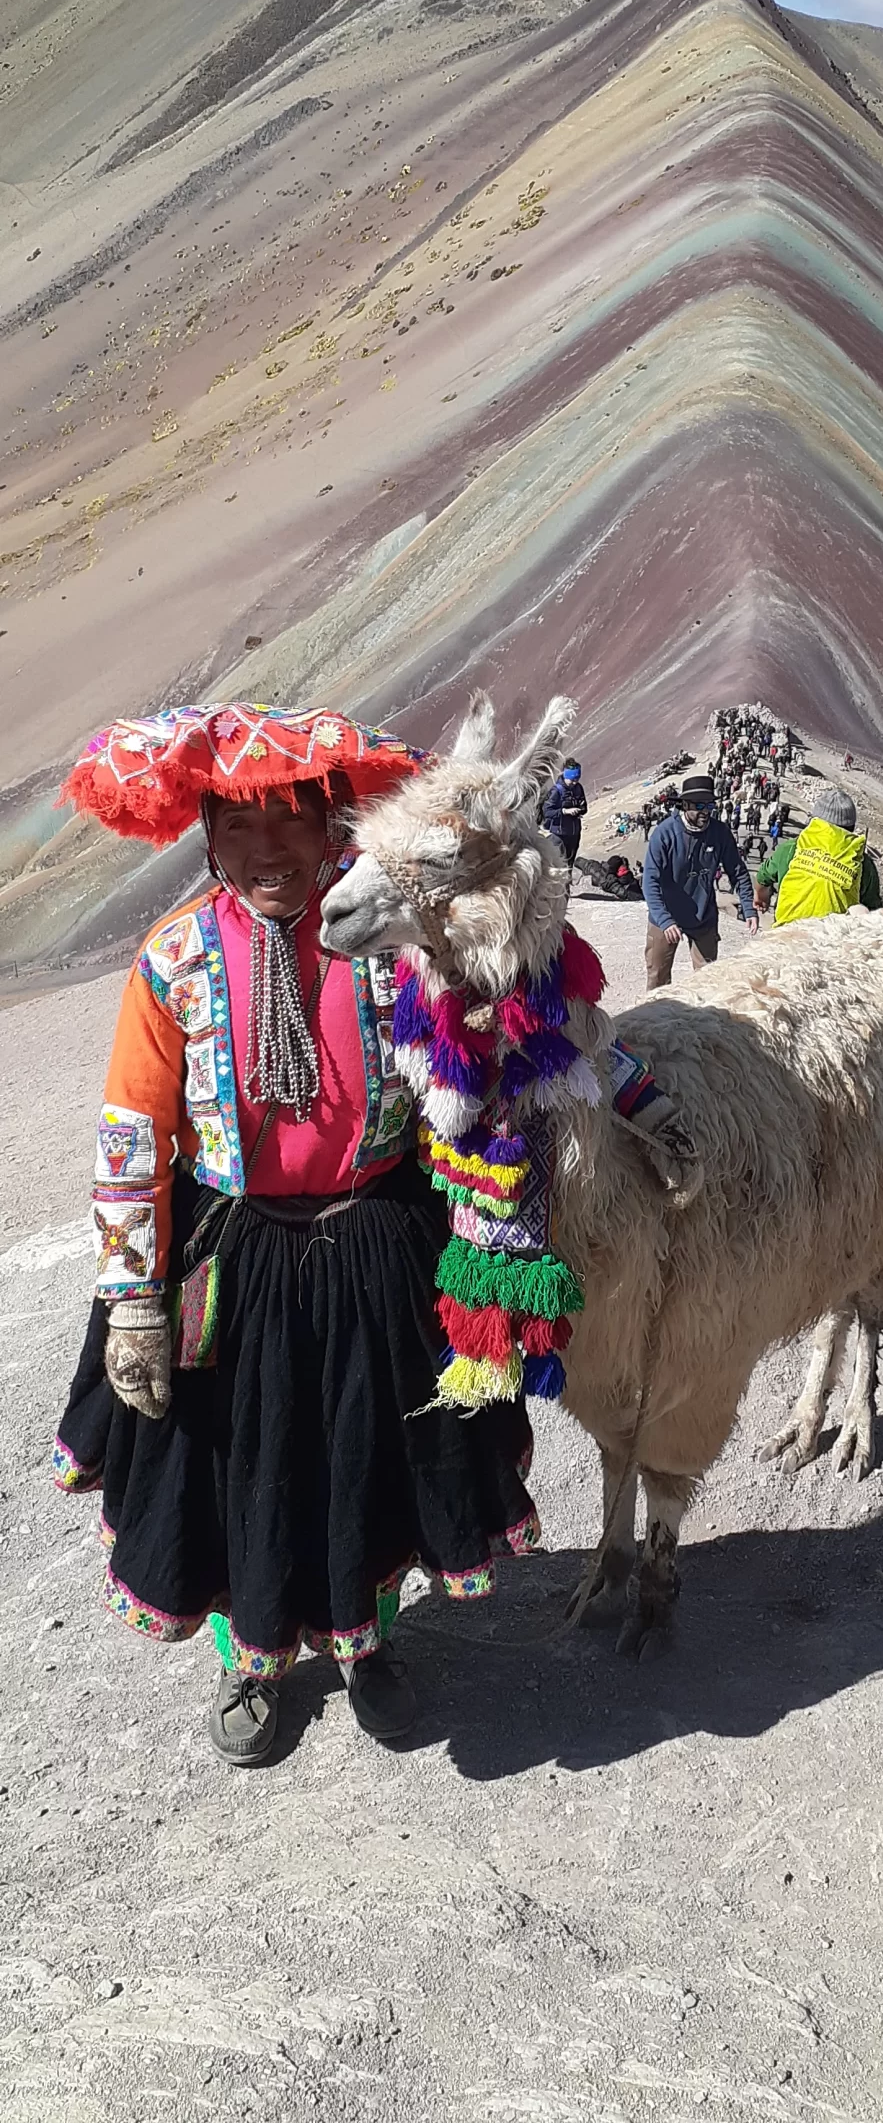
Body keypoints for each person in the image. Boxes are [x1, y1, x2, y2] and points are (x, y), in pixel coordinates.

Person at [52, 706, 684, 1766]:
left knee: (373, 1455)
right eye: (239, 830)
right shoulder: (174, 963)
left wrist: (643, 1103)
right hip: (235, 1250)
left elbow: (535, 1021)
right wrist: (131, 1301)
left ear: (330, 828)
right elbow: (130, 1131)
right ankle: (252, 1657)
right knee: (244, 1467)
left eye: (288, 825)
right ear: (208, 837)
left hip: (376, 1237)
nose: (267, 854)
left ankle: (366, 1641)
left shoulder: (397, 933)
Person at [642, 774, 758, 988]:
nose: (706, 811)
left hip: (703, 917)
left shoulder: (720, 832)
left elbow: (738, 871)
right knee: (657, 978)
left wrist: (748, 907)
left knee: (707, 980)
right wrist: (664, 919)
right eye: (699, 805)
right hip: (666, 917)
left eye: (710, 805)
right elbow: (650, 882)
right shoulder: (664, 834)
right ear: (685, 805)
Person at [757, 788, 882, 922]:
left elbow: (762, 877)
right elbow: (873, 909)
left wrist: (761, 898)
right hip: (832, 937)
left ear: (814, 822)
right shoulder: (862, 862)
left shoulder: (792, 848)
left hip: (787, 933)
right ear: (851, 827)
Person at [541, 757, 587, 871]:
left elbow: (584, 807)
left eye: (577, 779)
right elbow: (547, 811)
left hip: (574, 833)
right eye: (572, 779)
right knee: (559, 867)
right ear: (566, 776)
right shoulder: (556, 791)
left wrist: (579, 810)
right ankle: (560, 888)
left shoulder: (578, 788)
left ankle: (567, 888)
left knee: (569, 866)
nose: (575, 782)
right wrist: (564, 811)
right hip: (559, 835)